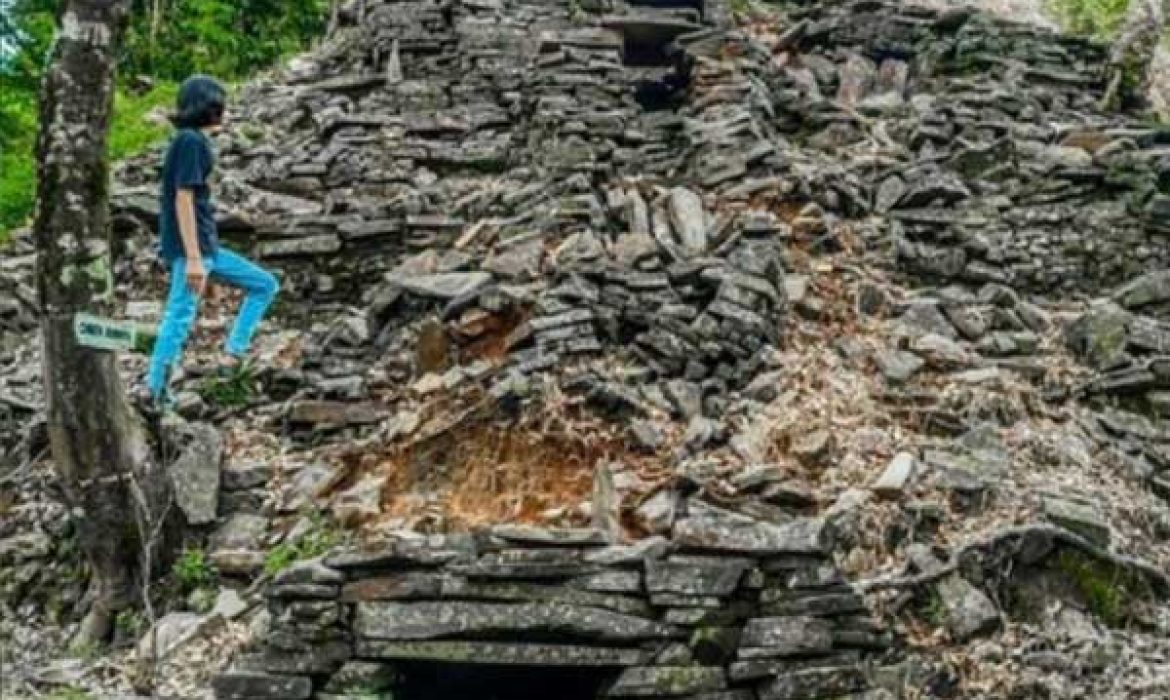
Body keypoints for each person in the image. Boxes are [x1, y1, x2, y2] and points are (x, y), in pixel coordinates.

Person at [144, 75, 279, 405]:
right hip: (196, 250)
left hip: (207, 248)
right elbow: (183, 197)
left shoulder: (190, 141)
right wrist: (192, 258)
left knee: (264, 285)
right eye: (220, 104)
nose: (225, 110)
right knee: (180, 314)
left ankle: (233, 353)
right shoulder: (191, 142)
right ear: (209, 107)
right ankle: (156, 392)